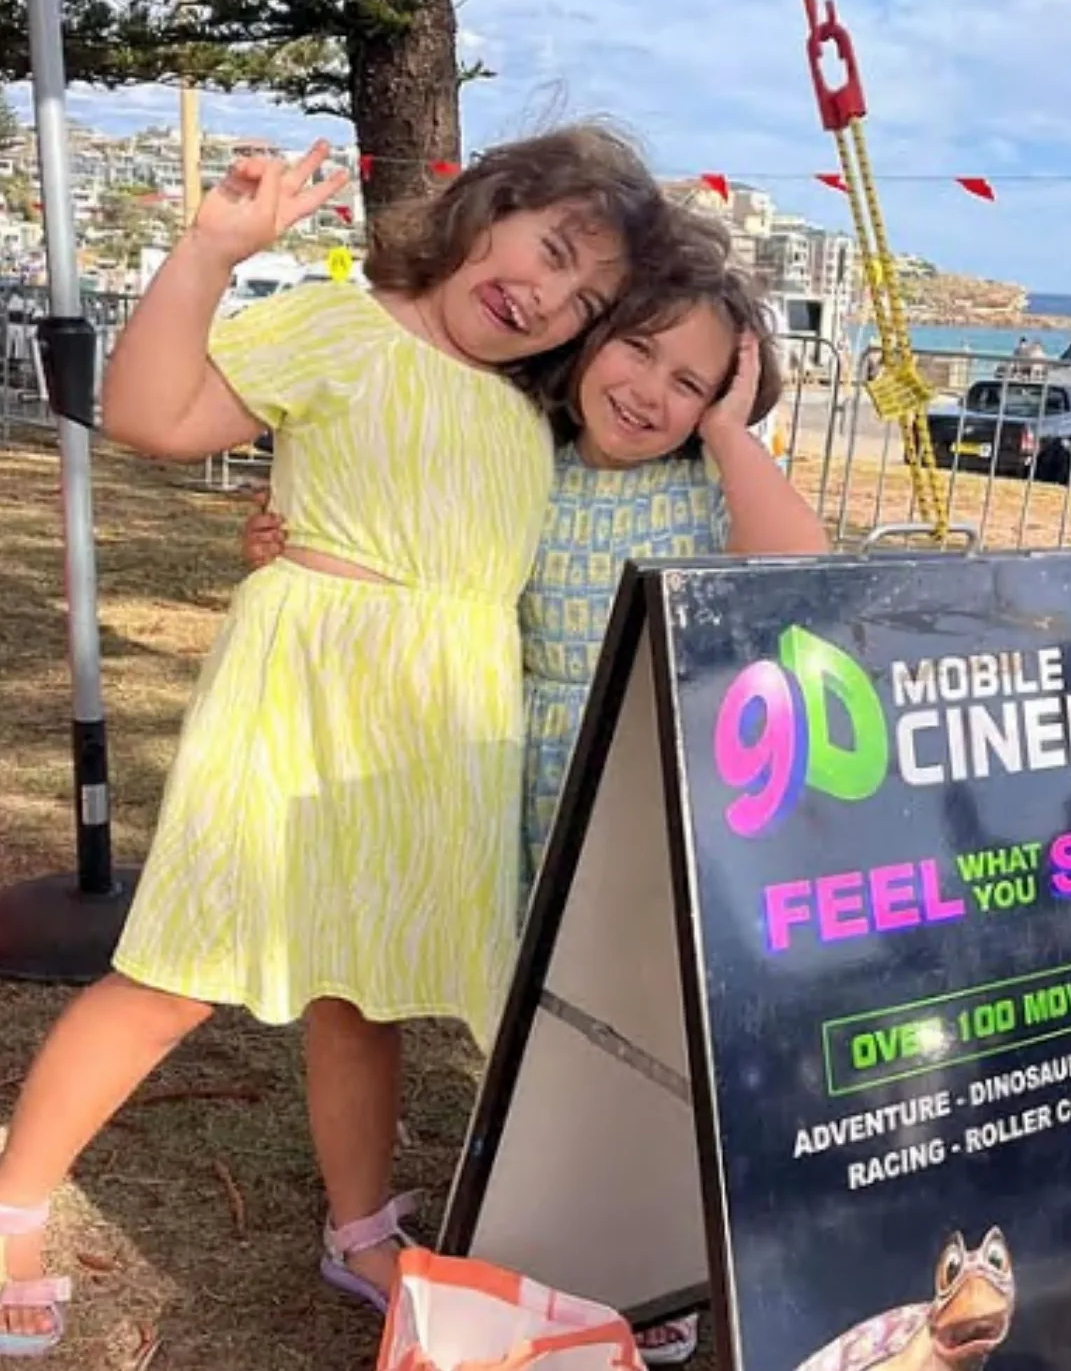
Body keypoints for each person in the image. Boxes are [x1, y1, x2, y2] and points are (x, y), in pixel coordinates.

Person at [0, 126, 667, 1356]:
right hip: (304, 691)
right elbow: (152, 414)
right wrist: (209, 250)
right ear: (487, 205)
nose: (549, 295)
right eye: (554, 247)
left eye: (586, 299)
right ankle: (12, 1201)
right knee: (180, 965)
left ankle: (360, 1225)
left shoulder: (527, 410)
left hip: (443, 724)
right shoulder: (338, 321)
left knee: (370, 985)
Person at [243, 210, 830, 1365]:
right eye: (639, 348)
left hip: (646, 809)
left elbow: (797, 572)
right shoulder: (518, 454)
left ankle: (637, 1260)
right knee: (513, 1022)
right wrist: (284, 536)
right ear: (591, 336)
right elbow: (394, 527)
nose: (653, 391)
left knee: (645, 1041)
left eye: (693, 381)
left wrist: (728, 434)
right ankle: (467, 1218)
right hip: (507, 781)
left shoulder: (704, 486)